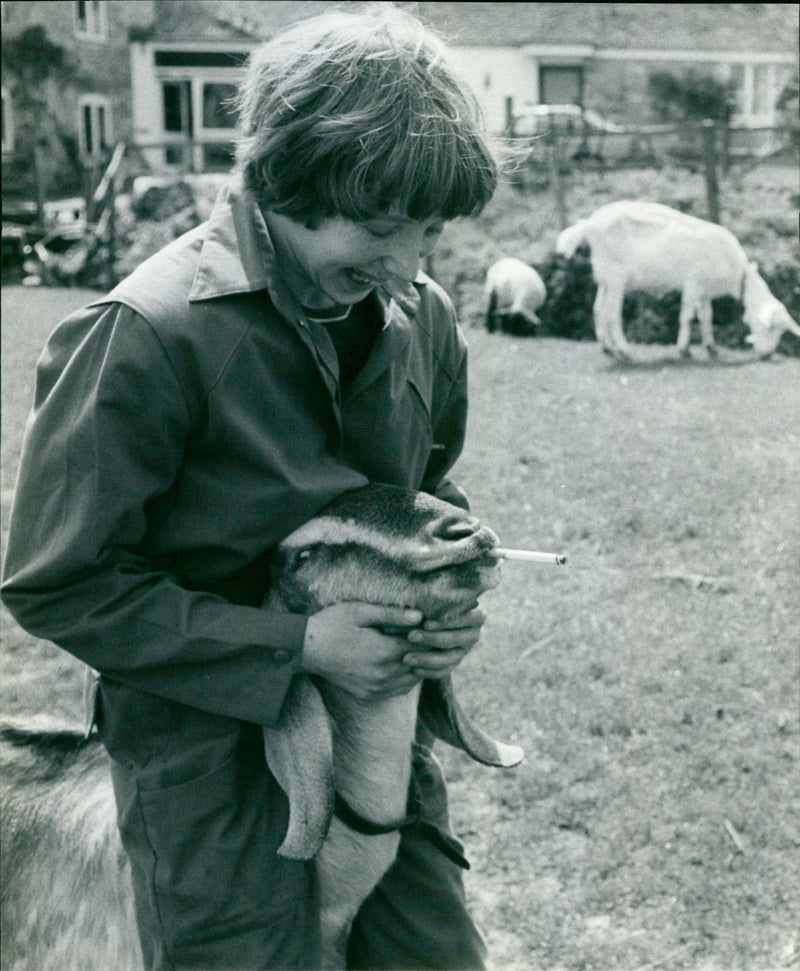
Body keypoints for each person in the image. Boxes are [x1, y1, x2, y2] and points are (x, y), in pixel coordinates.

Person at [1, 5, 502, 969]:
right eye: (381, 226)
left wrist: (438, 594)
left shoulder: (421, 317)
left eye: (431, 231)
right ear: (286, 178)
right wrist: (300, 645)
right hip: (203, 754)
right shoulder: (144, 336)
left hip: (374, 730)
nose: (409, 268)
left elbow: (431, 487)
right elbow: (58, 582)